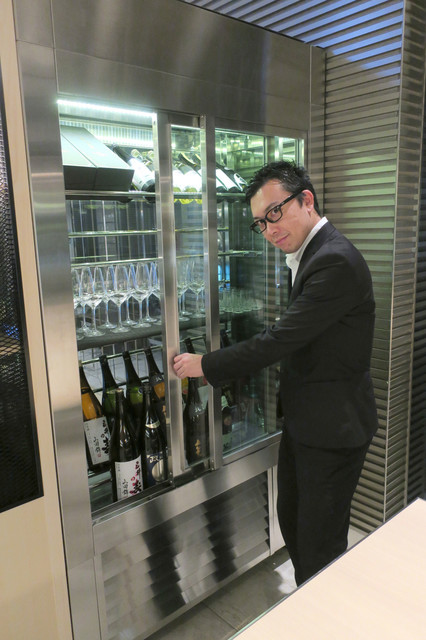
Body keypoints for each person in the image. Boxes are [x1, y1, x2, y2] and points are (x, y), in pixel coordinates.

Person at [173, 160, 378, 586]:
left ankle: (321, 614)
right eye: (260, 223)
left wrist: (205, 365)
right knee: (295, 526)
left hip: (333, 429)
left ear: (306, 200)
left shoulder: (335, 260)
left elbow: (280, 339)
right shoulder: (310, 254)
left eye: (274, 213)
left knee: (319, 548)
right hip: (307, 422)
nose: (269, 230)